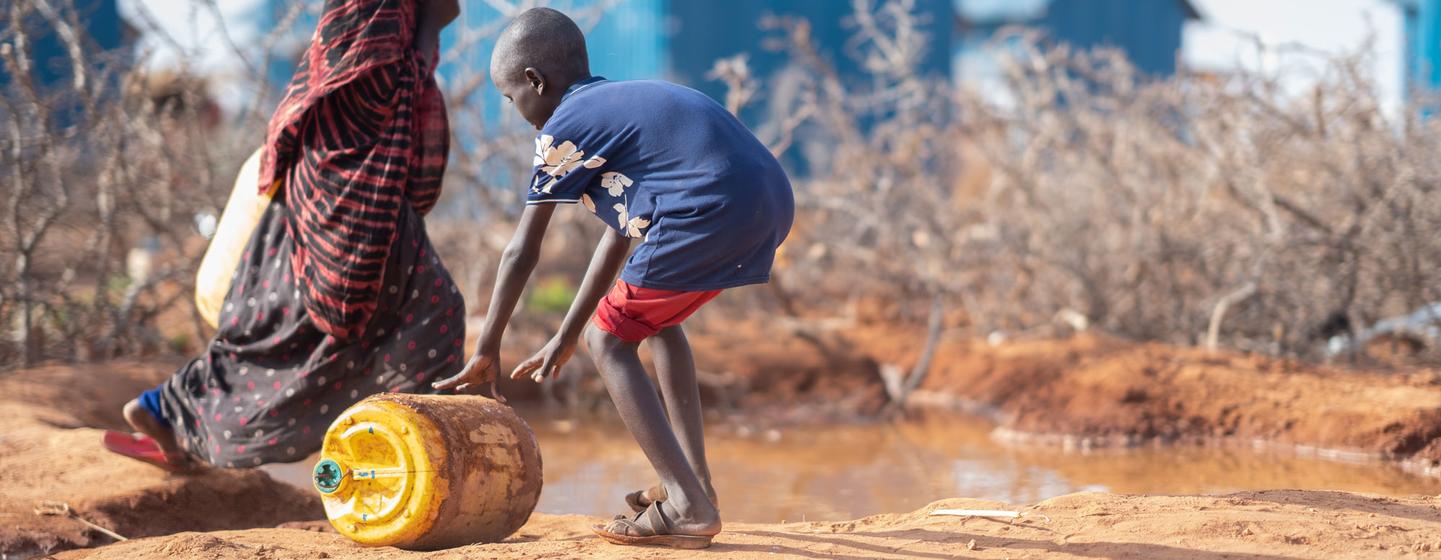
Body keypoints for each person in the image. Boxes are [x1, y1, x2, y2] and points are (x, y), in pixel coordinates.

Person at [432, 7, 794, 549]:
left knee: (611, 341)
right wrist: (566, 332)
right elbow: (621, 235)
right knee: (652, 323)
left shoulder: (565, 125)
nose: (515, 111)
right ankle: (698, 489)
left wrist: (487, 348)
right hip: (766, 202)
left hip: (709, 210)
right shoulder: (619, 105)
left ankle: (688, 506)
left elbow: (520, 252)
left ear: (535, 81)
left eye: (511, 97)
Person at [106, 0, 466, 470]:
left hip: (302, 202)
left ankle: (164, 410)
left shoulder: (335, 46)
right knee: (432, 320)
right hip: (361, 214)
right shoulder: (384, 51)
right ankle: (404, 467)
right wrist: (432, 25)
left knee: (271, 332)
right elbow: (413, 130)